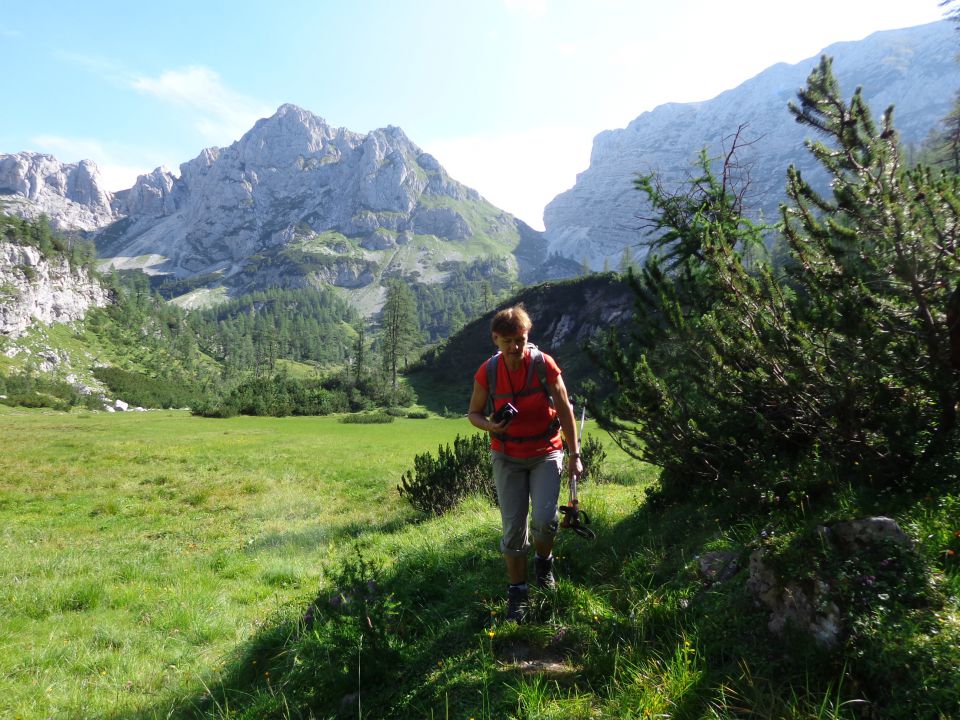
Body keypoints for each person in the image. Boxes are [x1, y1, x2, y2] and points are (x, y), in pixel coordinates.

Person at [467, 304, 583, 622]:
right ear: (496, 339)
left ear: (527, 335)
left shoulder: (544, 365)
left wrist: (574, 456)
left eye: (520, 339)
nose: (516, 347)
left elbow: (565, 409)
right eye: (508, 342)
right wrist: (491, 426)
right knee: (513, 530)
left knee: (546, 520)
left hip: (545, 452)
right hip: (507, 457)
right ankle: (518, 591)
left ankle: (544, 564)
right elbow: (473, 413)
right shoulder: (488, 372)